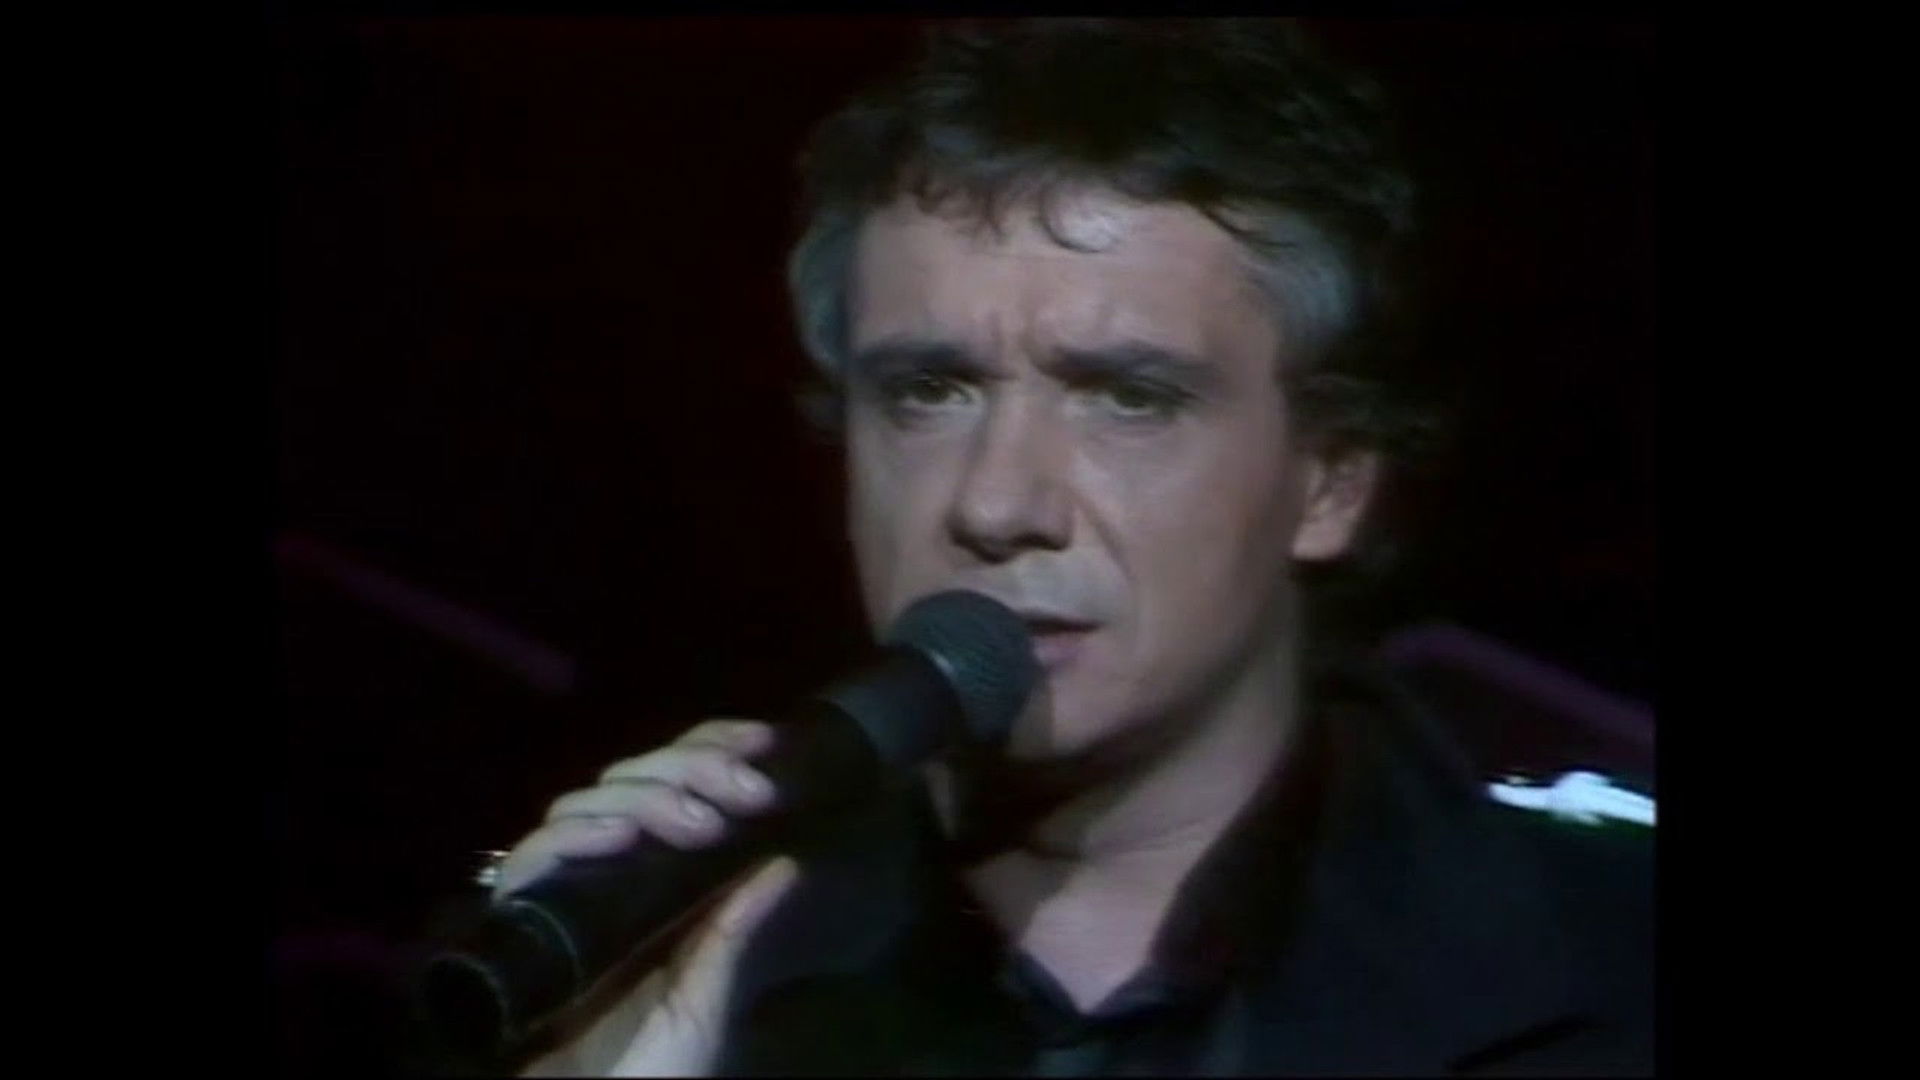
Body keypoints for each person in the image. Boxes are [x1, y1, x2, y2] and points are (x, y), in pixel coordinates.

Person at [469, 18, 1653, 1076]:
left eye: (1127, 398)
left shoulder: (1613, 964)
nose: (997, 505)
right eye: (928, 391)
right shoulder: (626, 964)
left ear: (1330, 482)